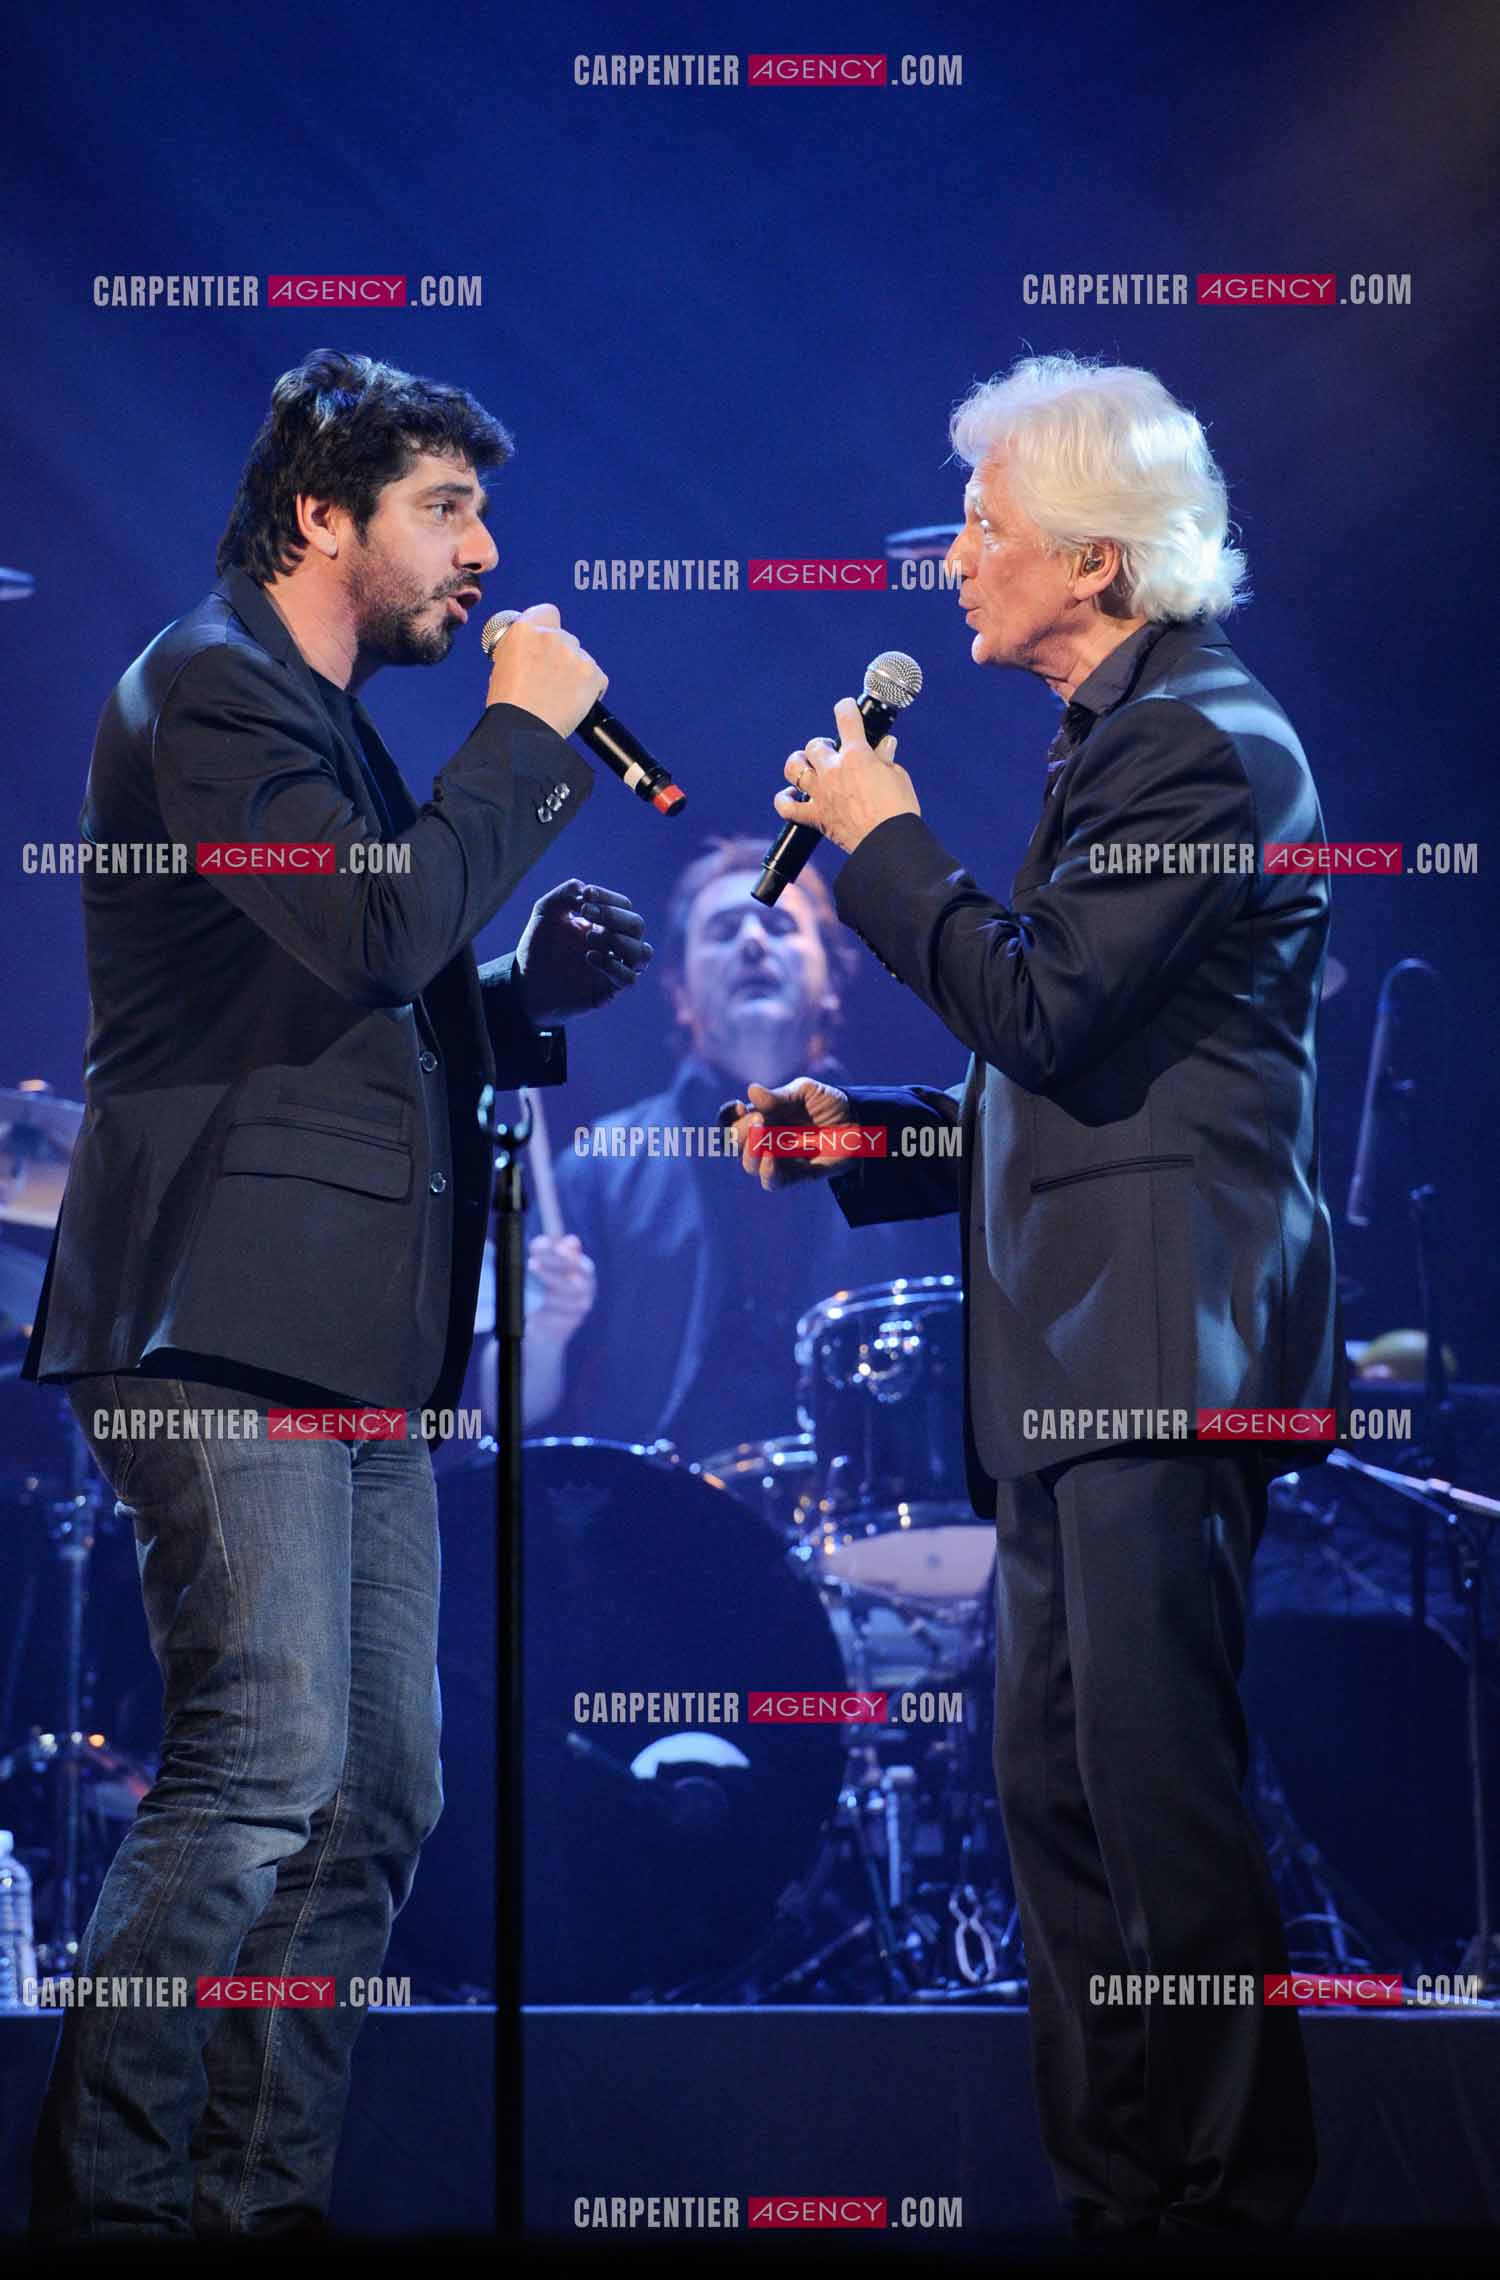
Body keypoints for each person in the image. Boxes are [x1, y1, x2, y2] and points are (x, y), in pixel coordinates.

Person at [20, 348, 650, 2241]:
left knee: (377, 1793)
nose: (485, 554)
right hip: (221, 1313)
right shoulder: (211, 689)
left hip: (361, 1337)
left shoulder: (323, 717)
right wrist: (530, 738)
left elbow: (356, 981)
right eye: (448, 509)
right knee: (261, 1765)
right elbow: (371, 928)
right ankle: (110, 2206)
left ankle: (253, 2198)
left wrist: (522, 996)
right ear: (323, 512)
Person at [726, 355, 1344, 2244]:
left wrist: (881, 841)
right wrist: (876, 1136)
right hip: (1077, 1361)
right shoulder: (1116, 743)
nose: (959, 556)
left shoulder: (1205, 741)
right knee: (1063, 1822)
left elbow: (1049, 1006)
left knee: (1156, 1825)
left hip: (1162, 1356)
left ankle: (1223, 2209)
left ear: (1096, 556)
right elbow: (1063, 1065)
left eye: (988, 523)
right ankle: (1118, 2208)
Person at [497, 836, 957, 1459]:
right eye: (722, 930)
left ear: (831, 980)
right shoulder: (599, 1168)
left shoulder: (909, 1149)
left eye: (777, 925)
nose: (751, 943)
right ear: (681, 994)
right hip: (662, 1520)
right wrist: (547, 1334)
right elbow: (504, 1410)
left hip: (867, 1513)